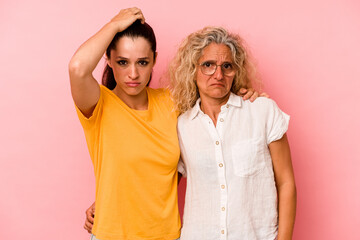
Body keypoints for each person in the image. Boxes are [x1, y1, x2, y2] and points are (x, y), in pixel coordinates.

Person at [70, 8, 259, 240]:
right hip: (111, 235)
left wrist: (249, 98)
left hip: (168, 236)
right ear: (108, 60)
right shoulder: (99, 103)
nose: (133, 73)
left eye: (142, 62)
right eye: (122, 62)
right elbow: (77, 68)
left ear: (154, 61)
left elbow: (213, 114)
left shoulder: (172, 102)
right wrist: (114, 25)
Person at [169, 27, 297, 240]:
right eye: (208, 65)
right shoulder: (181, 126)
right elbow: (158, 183)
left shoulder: (262, 111)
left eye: (227, 66)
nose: (218, 75)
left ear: (236, 71)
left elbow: (286, 182)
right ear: (193, 69)